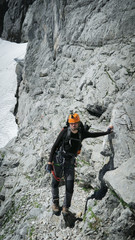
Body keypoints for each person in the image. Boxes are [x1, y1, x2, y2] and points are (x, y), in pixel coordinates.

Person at [46, 112, 113, 216]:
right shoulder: (64, 132)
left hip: (70, 163)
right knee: (55, 182)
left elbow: (93, 135)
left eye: (75, 123)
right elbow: (54, 146)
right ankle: (55, 203)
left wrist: (106, 132)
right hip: (59, 160)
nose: (73, 125)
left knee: (70, 186)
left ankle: (65, 207)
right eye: (72, 123)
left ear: (78, 123)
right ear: (69, 123)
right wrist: (50, 162)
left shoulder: (82, 133)